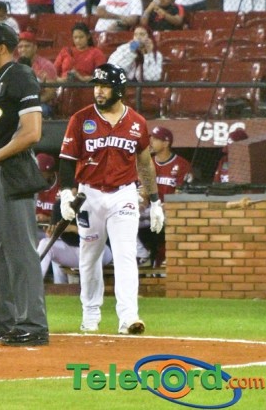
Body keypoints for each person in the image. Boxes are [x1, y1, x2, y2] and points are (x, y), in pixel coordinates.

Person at [58, 63, 164, 334]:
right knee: (89, 256)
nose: (98, 91)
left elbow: (145, 163)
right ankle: (90, 314)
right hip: (89, 194)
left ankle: (128, 317)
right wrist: (66, 194)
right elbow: (67, 161)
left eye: (104, 86)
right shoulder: (81, 119)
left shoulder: (137, 122)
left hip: (123, 194)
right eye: (96, 85)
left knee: (125, 253)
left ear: (119, 90)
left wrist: (155, 201)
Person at [0, 22, 49, 345]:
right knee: (0, 253)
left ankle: (33, 324)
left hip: (15, 170)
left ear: (1, 47)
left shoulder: (20, 75)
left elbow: (32, 132)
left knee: (21, 251)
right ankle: (5, 321)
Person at [139, 125, 192, 267]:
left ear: (166, 143)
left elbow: (181, 195)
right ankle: (142, 254)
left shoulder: (182, 165)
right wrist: (141, 205)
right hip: (151, 209)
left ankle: (170, 258)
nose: (150, 142)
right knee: (126, 217)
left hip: (171, 210)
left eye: (155, 139)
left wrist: (165, 207)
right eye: (150, 138)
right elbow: (144, 191)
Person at [37, 198, 113, 283]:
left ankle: (87, 286)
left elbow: (98, 234)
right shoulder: (59, 204)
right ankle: (34, 284)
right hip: (74, 249)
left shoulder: (93, 202)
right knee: (45, 243)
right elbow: (53, 233)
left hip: (101, 249)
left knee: (89, 249)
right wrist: (51, 233)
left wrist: (72, 228)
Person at [17, 31, 57, 117]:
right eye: (20, 47)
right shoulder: (15, 65)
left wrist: (31, 102)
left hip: (41, 103)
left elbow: (50, 93)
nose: (23, 49)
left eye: (27, 46)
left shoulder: (46, 65)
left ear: (35, 48)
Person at [35, 153, 59, 233]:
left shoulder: (63, 185)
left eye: (40, 173)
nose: (36, 176)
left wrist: (48, 219)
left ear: (51, 173)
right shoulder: (29, 184)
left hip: (54, 230)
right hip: (34, 227)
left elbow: (69, 218)